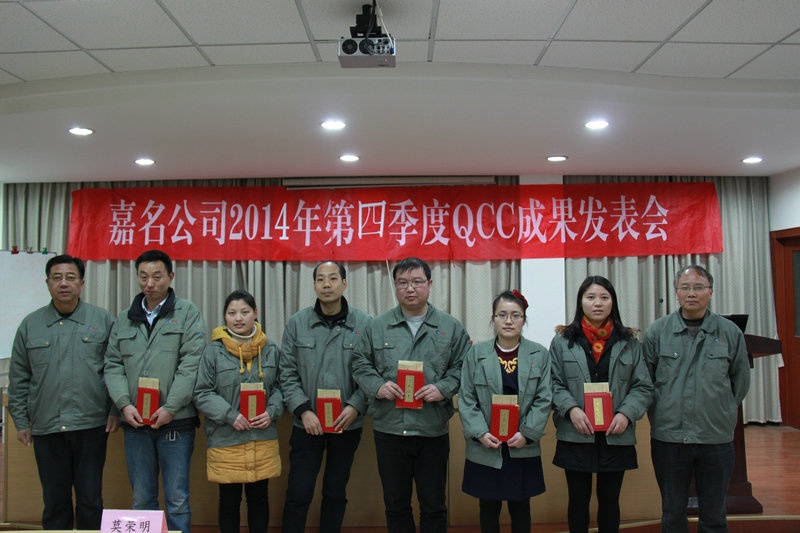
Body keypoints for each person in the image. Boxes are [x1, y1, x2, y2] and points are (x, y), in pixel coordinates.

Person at [351, 256, 471, 533]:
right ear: (394, 286)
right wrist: (377, 386)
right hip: (389, 429)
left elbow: (464, 366)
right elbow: (360, 363)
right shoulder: (377, 326)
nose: (410, 288)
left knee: (434, 505)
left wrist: (442, 388)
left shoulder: (450, 327)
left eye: (417, 282)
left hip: (432, 430)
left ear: (430, 284)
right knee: (396, 505)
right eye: (403, 283)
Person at [8, 254, 117, 530]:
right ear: (47, 283)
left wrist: (116, 409)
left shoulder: (102, 320)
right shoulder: (30, 325)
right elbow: (19, 378)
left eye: (70, 277)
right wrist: (21, 421)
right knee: (55, 502)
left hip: (91, 425)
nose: (63, 284)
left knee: (90, 500)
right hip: (47, 426)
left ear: (81, 282)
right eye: (57, 278)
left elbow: (117, 370)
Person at [104, 249, 206, 533]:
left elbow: (192, 364)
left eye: (157, 276)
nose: (150, 283)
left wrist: (171, 407)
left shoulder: (188, 313)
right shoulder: (124, 318)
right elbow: (113, 365)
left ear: (170, 277)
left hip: (176, 422)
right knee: (142, 499)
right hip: (135, 421)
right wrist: (124, 404)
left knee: (177, 500)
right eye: (143, 276)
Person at [643, 265, 750, 533]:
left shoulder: (729, 332)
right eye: (685, 287)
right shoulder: (658, 331)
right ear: (676, 292)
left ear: (710, 292)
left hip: (715, 437)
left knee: (714, 515)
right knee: (672, 514)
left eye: (698, 287)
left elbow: (740, 381)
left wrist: (721, 409)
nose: (692, 293)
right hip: (669, 437)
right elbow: (645, 380)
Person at [549, 276, 653, 533]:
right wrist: (571, 409)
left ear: (613, 302)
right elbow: (553, 383)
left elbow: (642, 386)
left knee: (610, 500)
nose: (597, 303)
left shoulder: (629, 341)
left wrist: (626, 414)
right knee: (578, 499)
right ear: (580, 302)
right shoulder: (562, 341)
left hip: (615, 433)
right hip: (576, 432)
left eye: (604, 298)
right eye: (591, 297)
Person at [280, 261, 372, 533]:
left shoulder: (365, 324)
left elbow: (373, 372)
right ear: (314, 285)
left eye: (333, 278)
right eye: (320, 279)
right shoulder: (297, 323)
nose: (326, 284)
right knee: (298, 492)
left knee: (335, 490)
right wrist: (303, 410)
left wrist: (355, 406)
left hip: (346, 424)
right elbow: (286, 372)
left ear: (344, 283)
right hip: (307, 424)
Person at [458, 290, 551, 533]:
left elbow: (544, 398)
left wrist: (527, 433)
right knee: (488, 509)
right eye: (502, 315)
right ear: (493, 319)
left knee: (521, 508)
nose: (508, 321)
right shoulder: (476, 353)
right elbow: (466, 397)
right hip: (487, 445)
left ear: (524, 319)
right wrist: (480, 433)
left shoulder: (539, 354)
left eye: (515, 315)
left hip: (521, 444)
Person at [194, 290, 283, 533]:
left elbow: (281, 388)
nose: (238, 318)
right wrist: (230, 415)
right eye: (232, 313)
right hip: (227, 437)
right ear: (225, 317)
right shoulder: (213, 351)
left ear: (255, 313)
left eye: (244, 312)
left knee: (259, 498)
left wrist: (272, 411)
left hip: (262, 436)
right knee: (229, 500)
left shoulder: (271, 349)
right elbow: (202, 392)